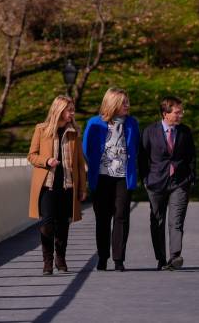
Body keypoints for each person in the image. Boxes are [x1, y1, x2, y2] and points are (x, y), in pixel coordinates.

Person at [27, 96, 88, 275]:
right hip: (47, 186)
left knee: (63, 224)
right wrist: (46, 161)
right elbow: (31, 155)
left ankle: (60, 258)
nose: (72, 113)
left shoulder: (74, 132)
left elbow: (79, 163)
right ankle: (47, 261)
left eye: (72, 109)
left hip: (67, 186)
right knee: (47, 224)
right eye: (69, 109)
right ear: (59, 110)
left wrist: (83, 188)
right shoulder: (41, 129)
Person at [83, 88, 139, 272]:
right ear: (112, 103)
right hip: (101, 176)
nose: (127, 105)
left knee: (121, 216)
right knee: (103, 218)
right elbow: (86, 149)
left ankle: (118, 258)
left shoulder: (132, 123)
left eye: (127, 101)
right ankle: (102, 257)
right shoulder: (94, 123)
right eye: (123, 102)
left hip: (123, 176)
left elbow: (136, 148)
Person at [140, 96, 196, 271]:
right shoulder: (150, 131)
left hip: (180, 182)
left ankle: (175, 256)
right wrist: (145, 179)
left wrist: (192, 177)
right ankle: (161, 257)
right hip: (156, 182)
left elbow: (191, 156)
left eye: (181, 112)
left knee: (176, 220)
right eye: (177, 112)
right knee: (157, 220)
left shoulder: (185, 131)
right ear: (165, 114)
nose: (181, 115)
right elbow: (142, 157)